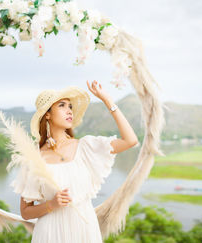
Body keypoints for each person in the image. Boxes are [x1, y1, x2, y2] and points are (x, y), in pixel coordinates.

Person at [10, 80, 139, 242]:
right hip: (50, 234)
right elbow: (25, 212)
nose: (69, 110)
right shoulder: (34, 157)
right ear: (47, 114)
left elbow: (130, 140)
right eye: (62, 105)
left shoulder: (85, 147)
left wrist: (107, 100)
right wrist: (52, 204)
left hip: (84, 230)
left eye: (70, 106)